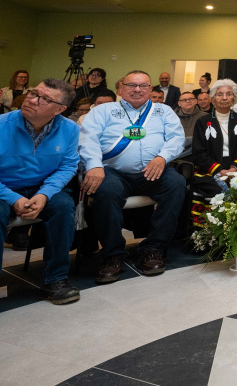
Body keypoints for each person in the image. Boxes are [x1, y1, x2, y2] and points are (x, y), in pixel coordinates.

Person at [0, 79, 81, 332]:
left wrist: (45, 194)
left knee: (63, 206)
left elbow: (68, 166)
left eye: (43, 98)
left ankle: (55, 279)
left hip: (40, 187)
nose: (32, 99)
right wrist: (13, 199)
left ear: (60, 109)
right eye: (33, 92)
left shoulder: (69, 129)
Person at [79, 70, 187, 284]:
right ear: (120, 88)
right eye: (131, 85)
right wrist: (94, 165)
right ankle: (112, 255)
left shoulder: (163, 111)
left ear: (150, 89)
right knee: (106, 191)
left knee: (177, 183)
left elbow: (176, 138)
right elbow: (88, 139)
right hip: (113, 172)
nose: (138, 89)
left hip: (154, 171)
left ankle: (154, 249)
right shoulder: (103, 111)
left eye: (143, 86)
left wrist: (162, 158)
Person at [188, 79, 237, 227]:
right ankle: (209, 233)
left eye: (228, 94)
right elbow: (199, 152)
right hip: (209, 169)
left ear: (234, 98)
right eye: (219, 94)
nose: (224, 98)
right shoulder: (202, 121)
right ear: (213, 99)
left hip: (236, 167)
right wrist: (219, 170)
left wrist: (233, 169)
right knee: (216, 188)